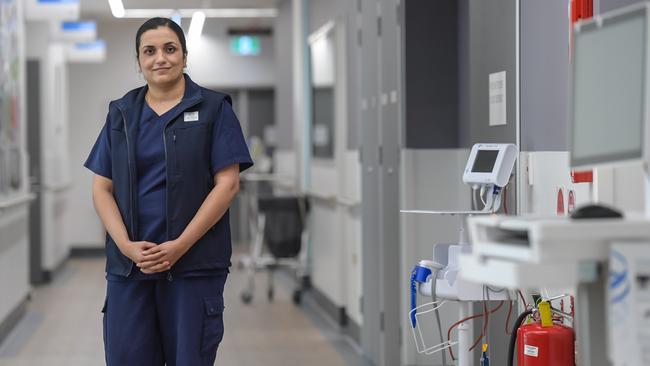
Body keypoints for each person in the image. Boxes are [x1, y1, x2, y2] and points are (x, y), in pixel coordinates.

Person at [84, 17, 253, 366]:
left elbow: (228, 184)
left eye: (170, 49)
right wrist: (127, 247)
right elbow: (102, 188)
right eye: (150, 51)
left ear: (185, 56)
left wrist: (179, 246)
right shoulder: (121, 113)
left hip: (192, 267)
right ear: (139, 61)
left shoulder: (213, 109)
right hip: (131, 270)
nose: (160, 58)